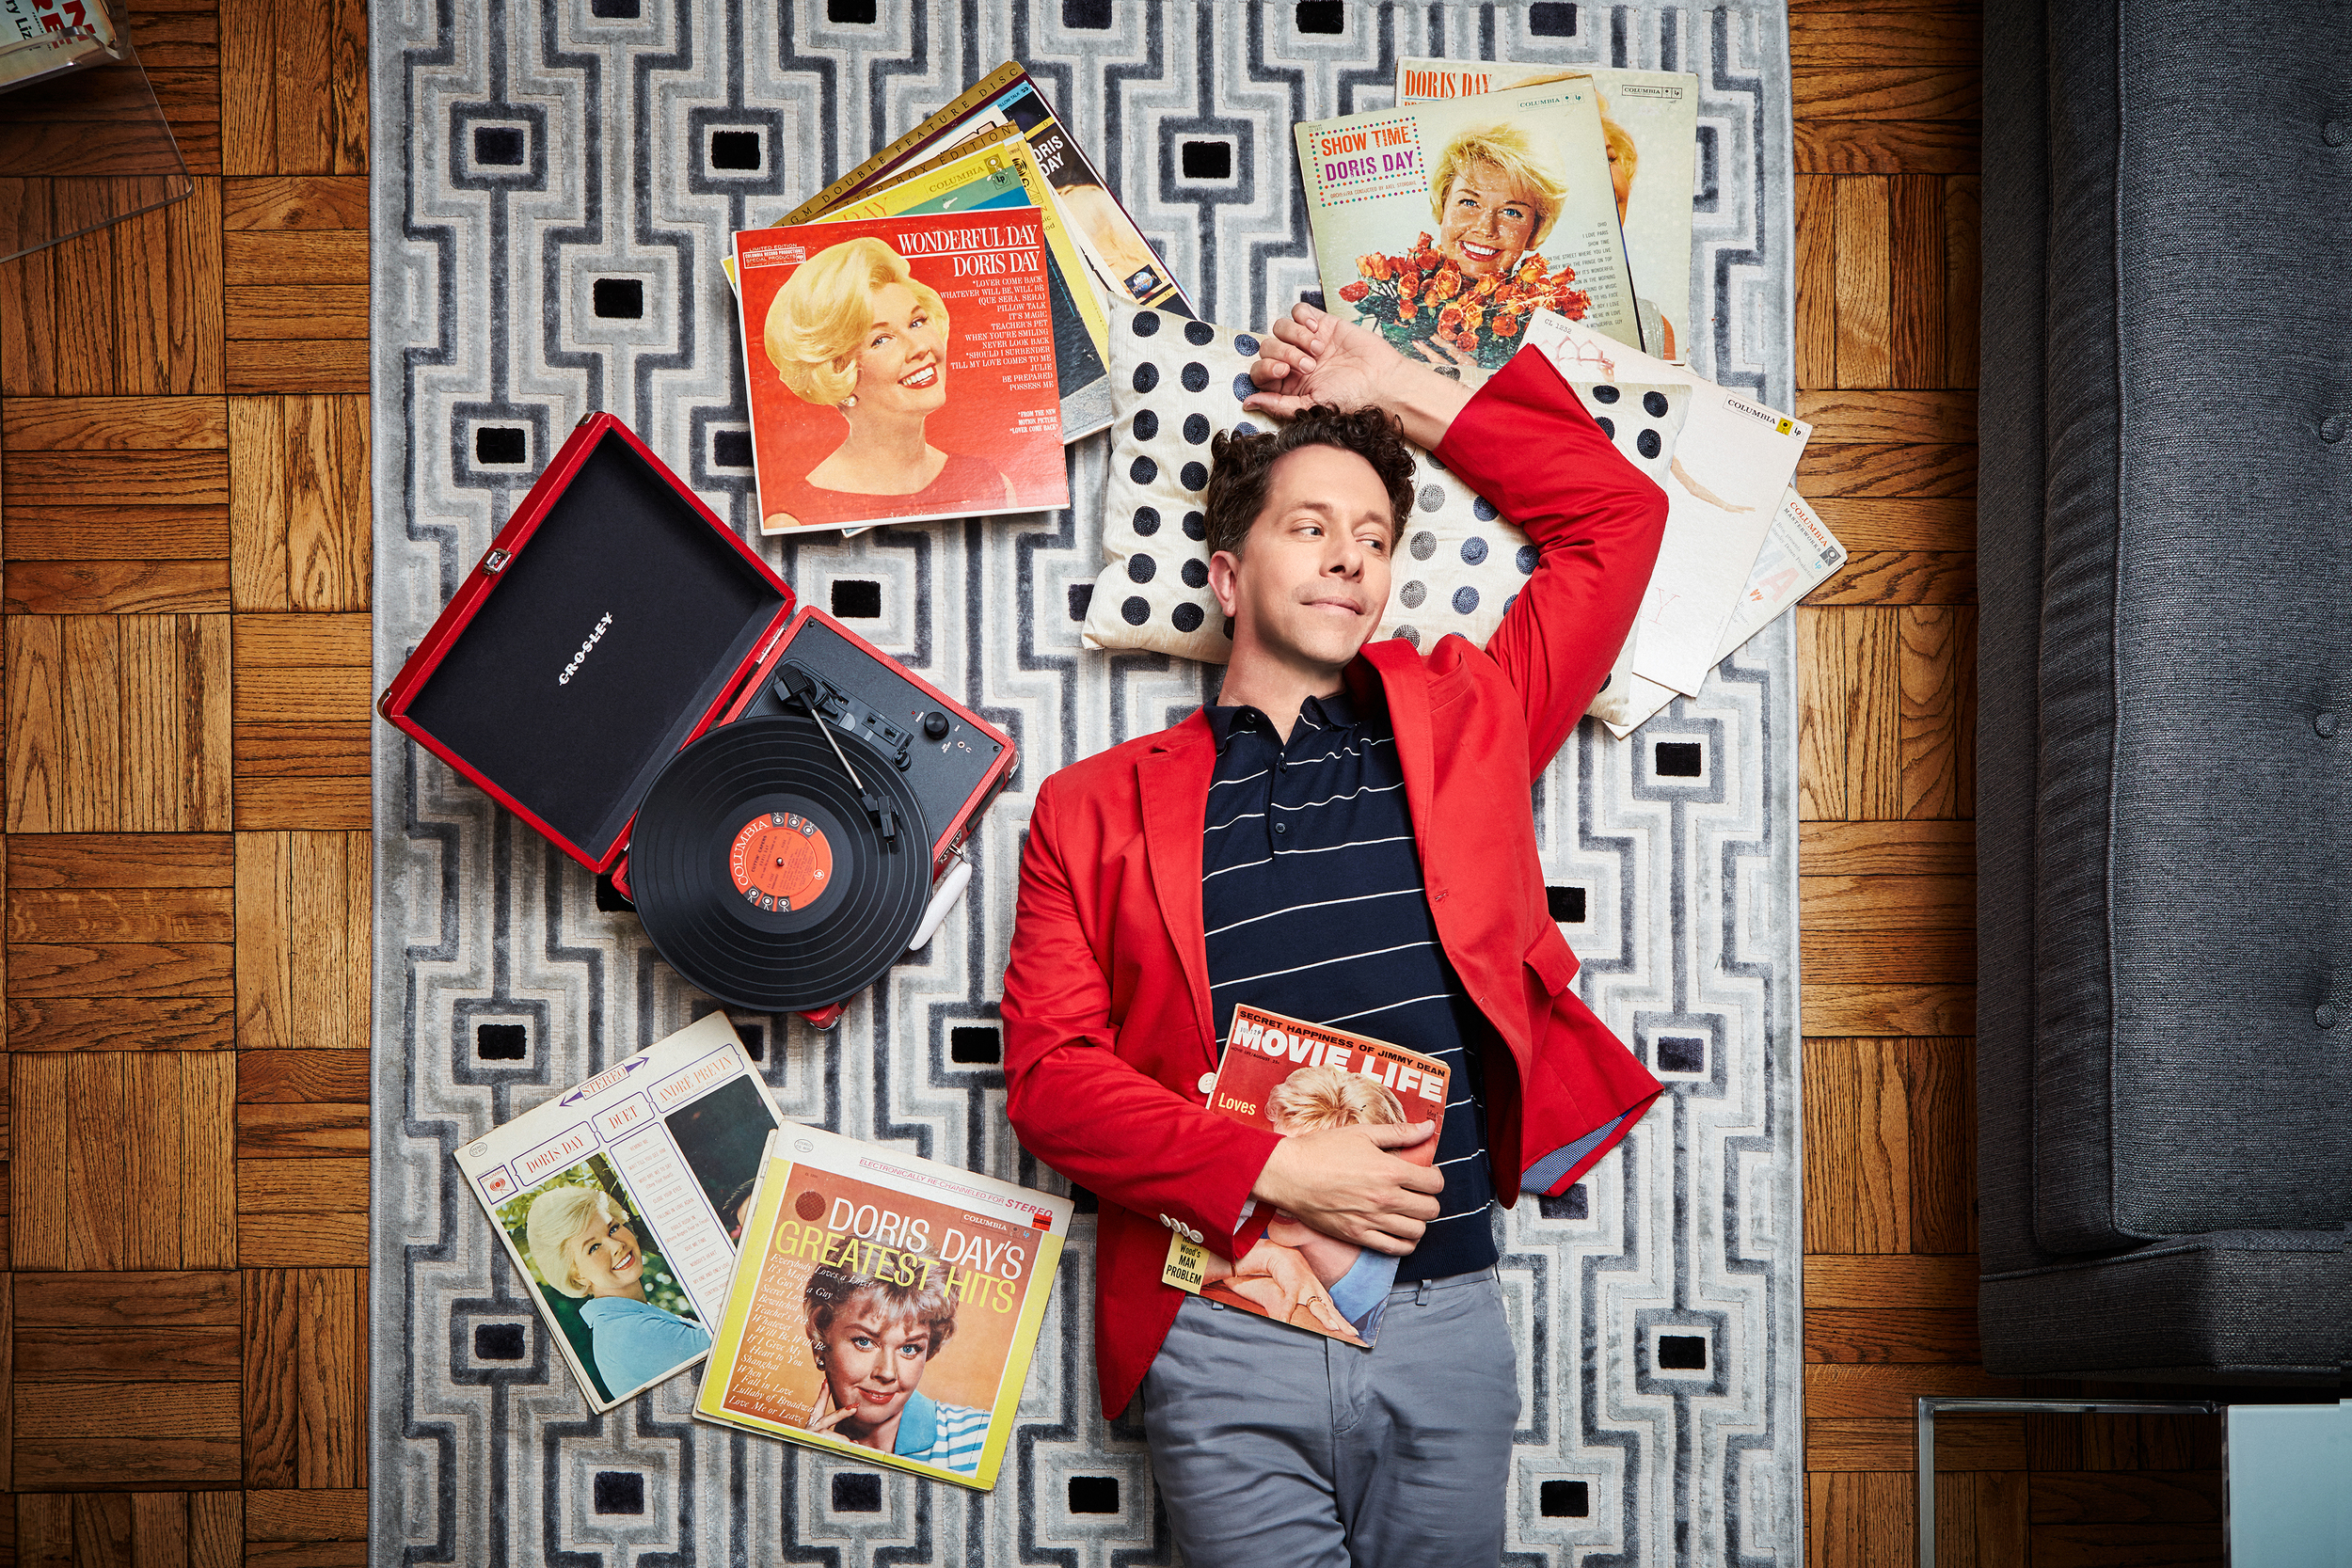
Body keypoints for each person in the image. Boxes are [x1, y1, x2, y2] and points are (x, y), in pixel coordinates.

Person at [1000, 299, 1667, 1567]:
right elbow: (1048, 1081)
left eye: (1374, 535)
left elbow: (1619, 520)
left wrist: (1392, 386)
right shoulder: (1087, 807)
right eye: (1309, 526)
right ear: (1225, 572)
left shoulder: (1471, 718)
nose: (1350, 555)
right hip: (1221, 1320)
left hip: (1446, 1314)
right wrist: (1274, 1166)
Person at [758, 235, 1015, 529]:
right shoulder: (796, 519)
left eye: (917, 322)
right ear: (838, 373)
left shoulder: (989, 483)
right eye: (881, 340)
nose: (919, 346)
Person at [800, 1253, 991, 1475]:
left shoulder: (980, 1436)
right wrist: (807, 1462)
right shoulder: (810, 1452)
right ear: (820, 1340)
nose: (888, 1373)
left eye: (909, 1348)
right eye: (864, 1342)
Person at [525, 1182, 711, 1397]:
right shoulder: (626, 1333)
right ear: (578, 1275)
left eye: (613, 1228)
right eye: (593, 1247)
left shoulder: (628, 1318)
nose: (616, 1245)